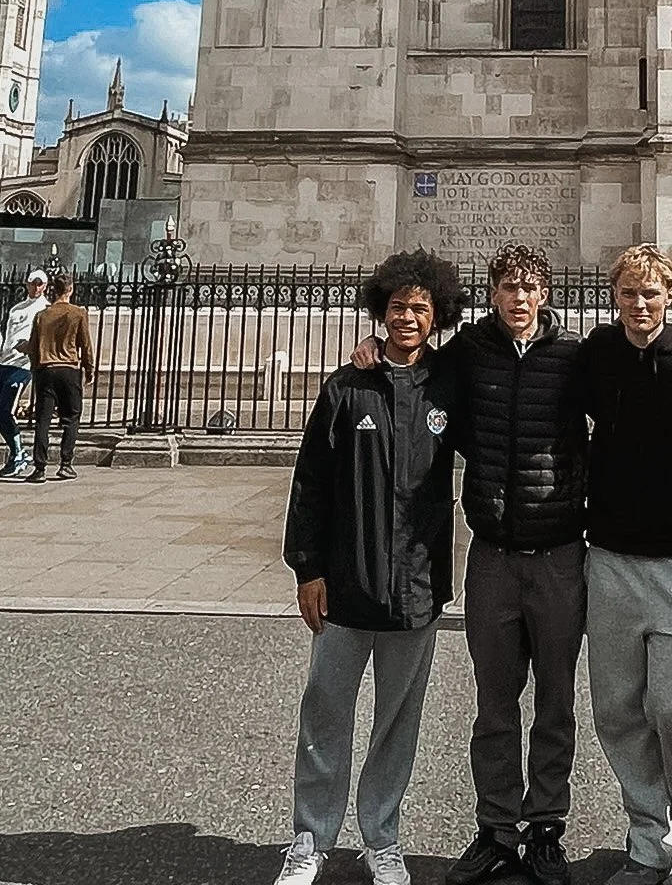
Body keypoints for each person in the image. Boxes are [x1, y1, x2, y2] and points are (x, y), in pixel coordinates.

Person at [274, 249, 466, 885]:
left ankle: (381, 836)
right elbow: (311, 483)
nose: (407, 316)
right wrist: (307, 568)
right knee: (325, 711)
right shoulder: (345, 386)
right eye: (397, 306)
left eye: (419, 307)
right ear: (379, 312)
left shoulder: (450, 384)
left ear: (438, 316)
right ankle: (309, 839)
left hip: (416, 585)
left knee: (397, 721)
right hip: (347, 582)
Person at [438, 246, 587, 885]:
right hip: (493, 555)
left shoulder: (575, 357)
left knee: (555, 700)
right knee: (494, 704)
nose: (519, 298)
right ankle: (496, 829)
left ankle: (546, 827)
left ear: (545, 294)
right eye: (508, 287)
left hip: (558, 554)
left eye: (529, 288)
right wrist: (368, 346)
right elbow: (409, 361)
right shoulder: (469, 352)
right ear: (492, 292)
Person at [576, 246, 672, 885]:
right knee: (615, 708)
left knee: (671, 704)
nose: (641, 306)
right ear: (616, 297)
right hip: (608, 556)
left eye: (653, 294)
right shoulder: (597, 353)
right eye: (631, 294)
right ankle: (649, 839)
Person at [25, 272, 94, 482]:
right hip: (69, 369)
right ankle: (65, 463)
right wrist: (89, 369)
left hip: (46, 368)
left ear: (53, 290)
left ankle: (39, 468)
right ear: (71, 289)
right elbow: (86, 344)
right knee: (71, 418)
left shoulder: (42, 316)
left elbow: (34, 347)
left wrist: (36, 369)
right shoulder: (78, 313)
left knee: (43, 420)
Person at [0, 267, 48, 478]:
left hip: (23, 365)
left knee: (6, 409)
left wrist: (30, 348)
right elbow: (2, 329)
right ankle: (17, 451)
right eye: (33, 283)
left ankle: (17, 453)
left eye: (40, 283)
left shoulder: (45, 309)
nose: (36, 287)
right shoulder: (16, 309)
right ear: (27, 284)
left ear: (45, 286)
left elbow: (44, 336)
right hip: (5, 362)